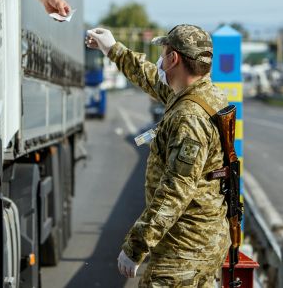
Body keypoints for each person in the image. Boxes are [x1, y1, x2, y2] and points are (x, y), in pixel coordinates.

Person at [86, 25, 231, 287]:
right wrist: (112, 48)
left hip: (182, 253)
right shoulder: (204, 96)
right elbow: (151, 78)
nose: (160, 61)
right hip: (204, 244)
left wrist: (136, 247)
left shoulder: (189, 117)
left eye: (164, 54)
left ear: (174, 58)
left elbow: (176, 191)